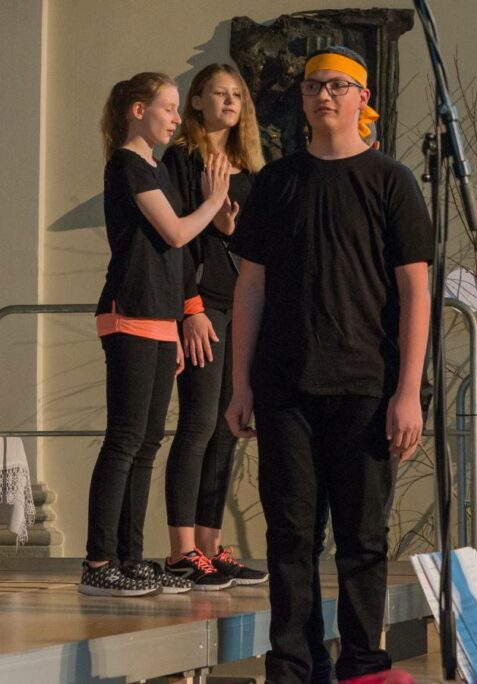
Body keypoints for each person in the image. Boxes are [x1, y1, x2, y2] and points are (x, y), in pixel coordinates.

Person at [226, 46, 432, 682]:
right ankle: (294, 664)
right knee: (291, 536)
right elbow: (250, 287)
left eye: (338, 86)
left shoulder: (391, 181)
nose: (324, 96)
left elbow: (415, 291)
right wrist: (239, 384)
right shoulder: (276, 183)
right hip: (284, 387)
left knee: (363, 539)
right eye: (314, 85)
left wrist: (408, 392)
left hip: (367, 387)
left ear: (362, 99)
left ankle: (364, 663)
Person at [81, 72, 231, 596]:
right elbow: (175, 232)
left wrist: (178, 318)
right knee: (125, 439)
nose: (175, 117)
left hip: (160, 319)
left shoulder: (156, 168)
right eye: (168, 107)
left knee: (147, 443)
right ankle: (98, 562)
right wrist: (212, 201)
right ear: (138, 111)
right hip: (129, 312)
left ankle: (129, 557)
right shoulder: (126, 164)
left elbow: (176, 256)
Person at [161, 63, 267, 590]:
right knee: (198, 423)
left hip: (239, 307)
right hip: (202, 307)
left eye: (236, 95)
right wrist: (191, 307)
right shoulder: (181, 159)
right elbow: (174, 241)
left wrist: (229, 227)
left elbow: (253, 242)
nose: (229, 101)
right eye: (218, 93)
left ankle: (208, 545)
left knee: (228, 427)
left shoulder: (251, 167)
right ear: (197, 101)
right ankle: (181, 552)